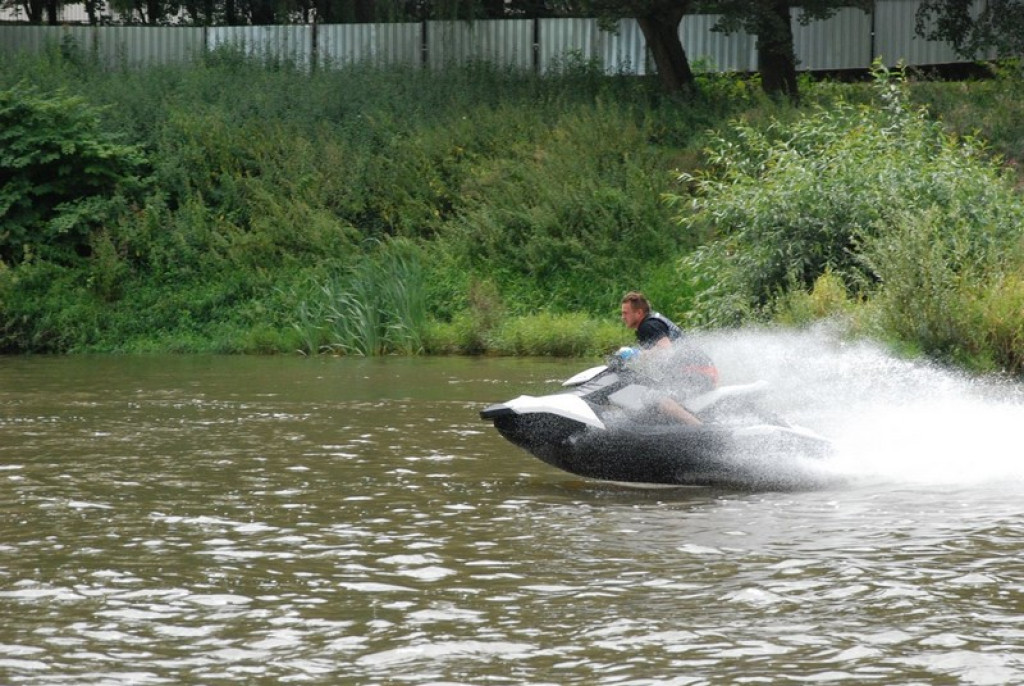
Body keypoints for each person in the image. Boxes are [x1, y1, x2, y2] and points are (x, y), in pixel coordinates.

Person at [618, 291, 718, 425]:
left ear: (639, 313)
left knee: (659, 399)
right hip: (699, 371)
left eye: (626, 313)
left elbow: (666, 350)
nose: (622, 317)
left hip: (698, 373)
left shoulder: (648, 326)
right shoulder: (652, 321)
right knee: (654, 391)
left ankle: (701, 430)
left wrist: (638, 354)